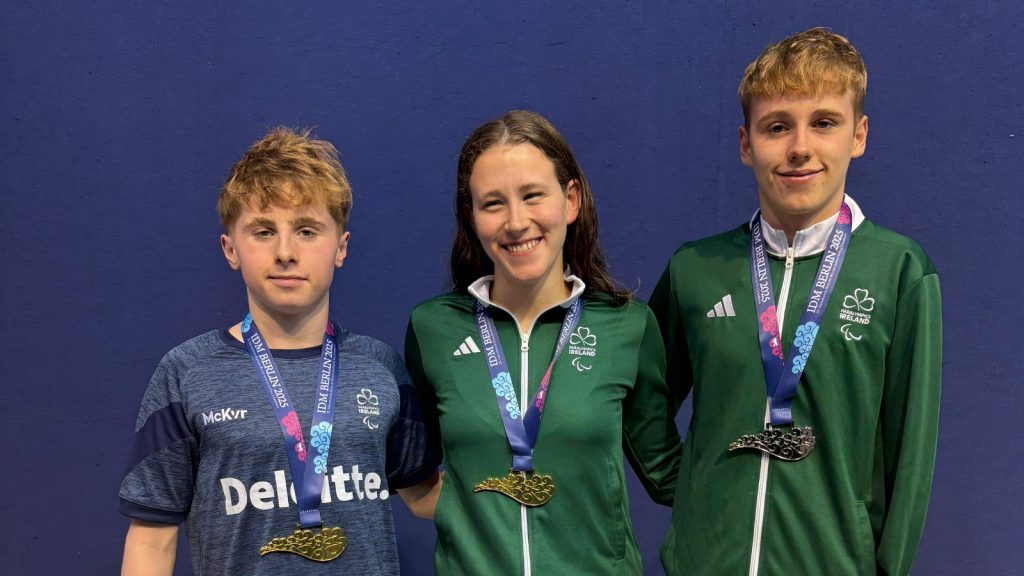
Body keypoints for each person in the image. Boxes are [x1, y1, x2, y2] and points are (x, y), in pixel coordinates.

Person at [650, 28, 942, 576]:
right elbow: (642, 391)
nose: (800, 147)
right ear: (746, 143)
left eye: (824, 123)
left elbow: (911, 453)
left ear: (858, 135)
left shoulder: (900, 270)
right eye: (777, 126)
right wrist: (689, 488)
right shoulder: (696, 269)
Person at [118, 127, 442, 576]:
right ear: (230, 248)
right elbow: (152, 540)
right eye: (263, 231)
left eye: (308, 230)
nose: (286, 252)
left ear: (341, 247)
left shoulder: (380, 366)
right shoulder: (187, 373)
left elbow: (425, 496)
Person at [405, 110, 681, 575]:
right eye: (492, 203)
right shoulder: (434, 329)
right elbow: (415, 478)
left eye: (533, 195)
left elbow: (670, 476)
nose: (516, 221)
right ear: (471, 216)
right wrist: (470, 512)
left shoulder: (627, 327)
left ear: (570, 200)